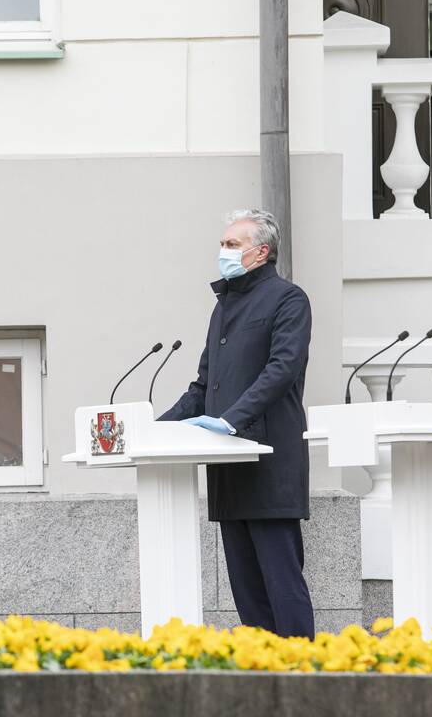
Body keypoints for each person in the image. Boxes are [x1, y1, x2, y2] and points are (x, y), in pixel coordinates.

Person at [160, 209, 314, 638]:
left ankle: (305, 674)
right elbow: (203, 386)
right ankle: (264, 676)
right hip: (228, 471)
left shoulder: (288, 299)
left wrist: (230, 420)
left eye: (232, 245)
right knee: (247, 592)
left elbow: (282, 370)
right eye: (223, 244)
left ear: (261, 252)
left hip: (268, 464)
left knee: (283, 586)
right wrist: (158, 428)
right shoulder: (224, 307)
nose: (222, 252)